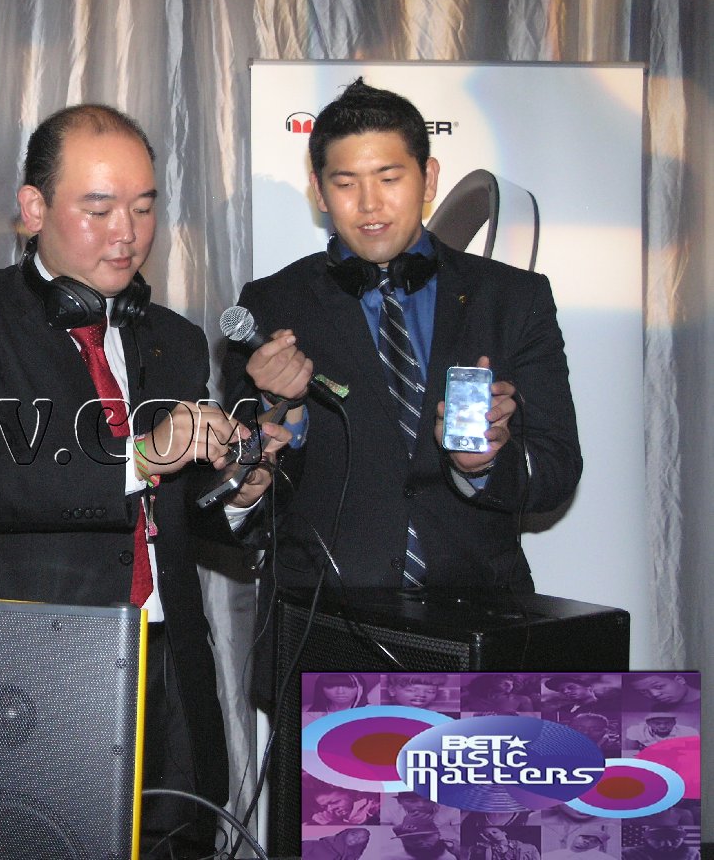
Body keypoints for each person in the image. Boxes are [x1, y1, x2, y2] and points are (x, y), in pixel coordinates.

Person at [0, 104, 288, 857]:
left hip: (171, 669)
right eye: (99, 207)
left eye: (143, 208)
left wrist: (238, 495)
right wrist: (140, 456)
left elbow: (181, 511)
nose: (127, 232)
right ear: (33, 209)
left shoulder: (175, 338)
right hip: (26, 676)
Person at [223, 79, 582, 610]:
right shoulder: (271, 304)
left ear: (429, 177)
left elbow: (555, 473)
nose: (370, 204)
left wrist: (483, 464)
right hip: (324, 621)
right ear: (319, 191)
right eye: (346, 183)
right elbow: (236, 496)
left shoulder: (513, 297)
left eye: (389, 178)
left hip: (480, 614)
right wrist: (281, 409)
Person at [623, 714, 698, 750]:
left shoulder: (689, 732)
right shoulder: (636, 731)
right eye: (657, 723)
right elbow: (631, 754)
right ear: (648, 723)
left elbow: (694, 756)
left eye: (667, 723)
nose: (662, 726)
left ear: (674, 722)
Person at [628, 673, 699, 709]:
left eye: (659, 686)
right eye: (643, 691)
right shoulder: (659, 709)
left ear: (680, 680)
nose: (654, 694)